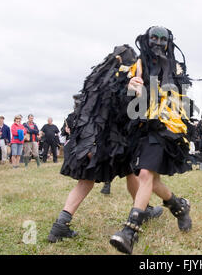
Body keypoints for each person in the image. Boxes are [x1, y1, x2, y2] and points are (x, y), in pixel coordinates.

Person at [47, 43, 163, 247]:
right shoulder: (123, 80)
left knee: (89, 181)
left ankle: (60, 225)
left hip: (88, 139)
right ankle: (143, 211)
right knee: (131, 172)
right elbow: (124, 110)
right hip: (105, 140)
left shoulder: (97, 78)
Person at [109, 26, 194, 255]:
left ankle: (130, 232)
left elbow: (184, 99)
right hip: (139, 127)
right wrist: (129, 86)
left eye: (162, 39)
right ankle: (179, 207)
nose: (158, 42)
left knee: (145, 174)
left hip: (164, 127)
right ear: (147, 40)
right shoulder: (137, 65)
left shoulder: (174, 66)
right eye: (153, 38)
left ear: (168, 42)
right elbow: (119, 92)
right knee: (149, 178)